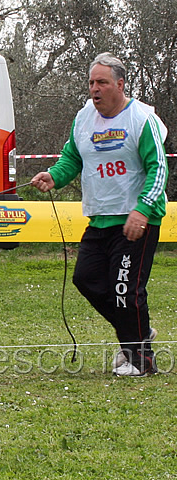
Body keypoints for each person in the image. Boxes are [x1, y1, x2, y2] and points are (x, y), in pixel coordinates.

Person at [31, 52, 168, 376]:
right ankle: (137, 334)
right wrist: (54, 176)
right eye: (91, 82)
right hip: (100, 217)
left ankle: (141, 362)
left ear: (120, 85)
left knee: (125, 291)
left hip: (136, 220)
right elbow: (71, 159)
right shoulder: (83, 119)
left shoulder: (141, 119)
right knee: (87, 279)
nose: (95, 88)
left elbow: (158, 168)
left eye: (102, 82)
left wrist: (143, 209)